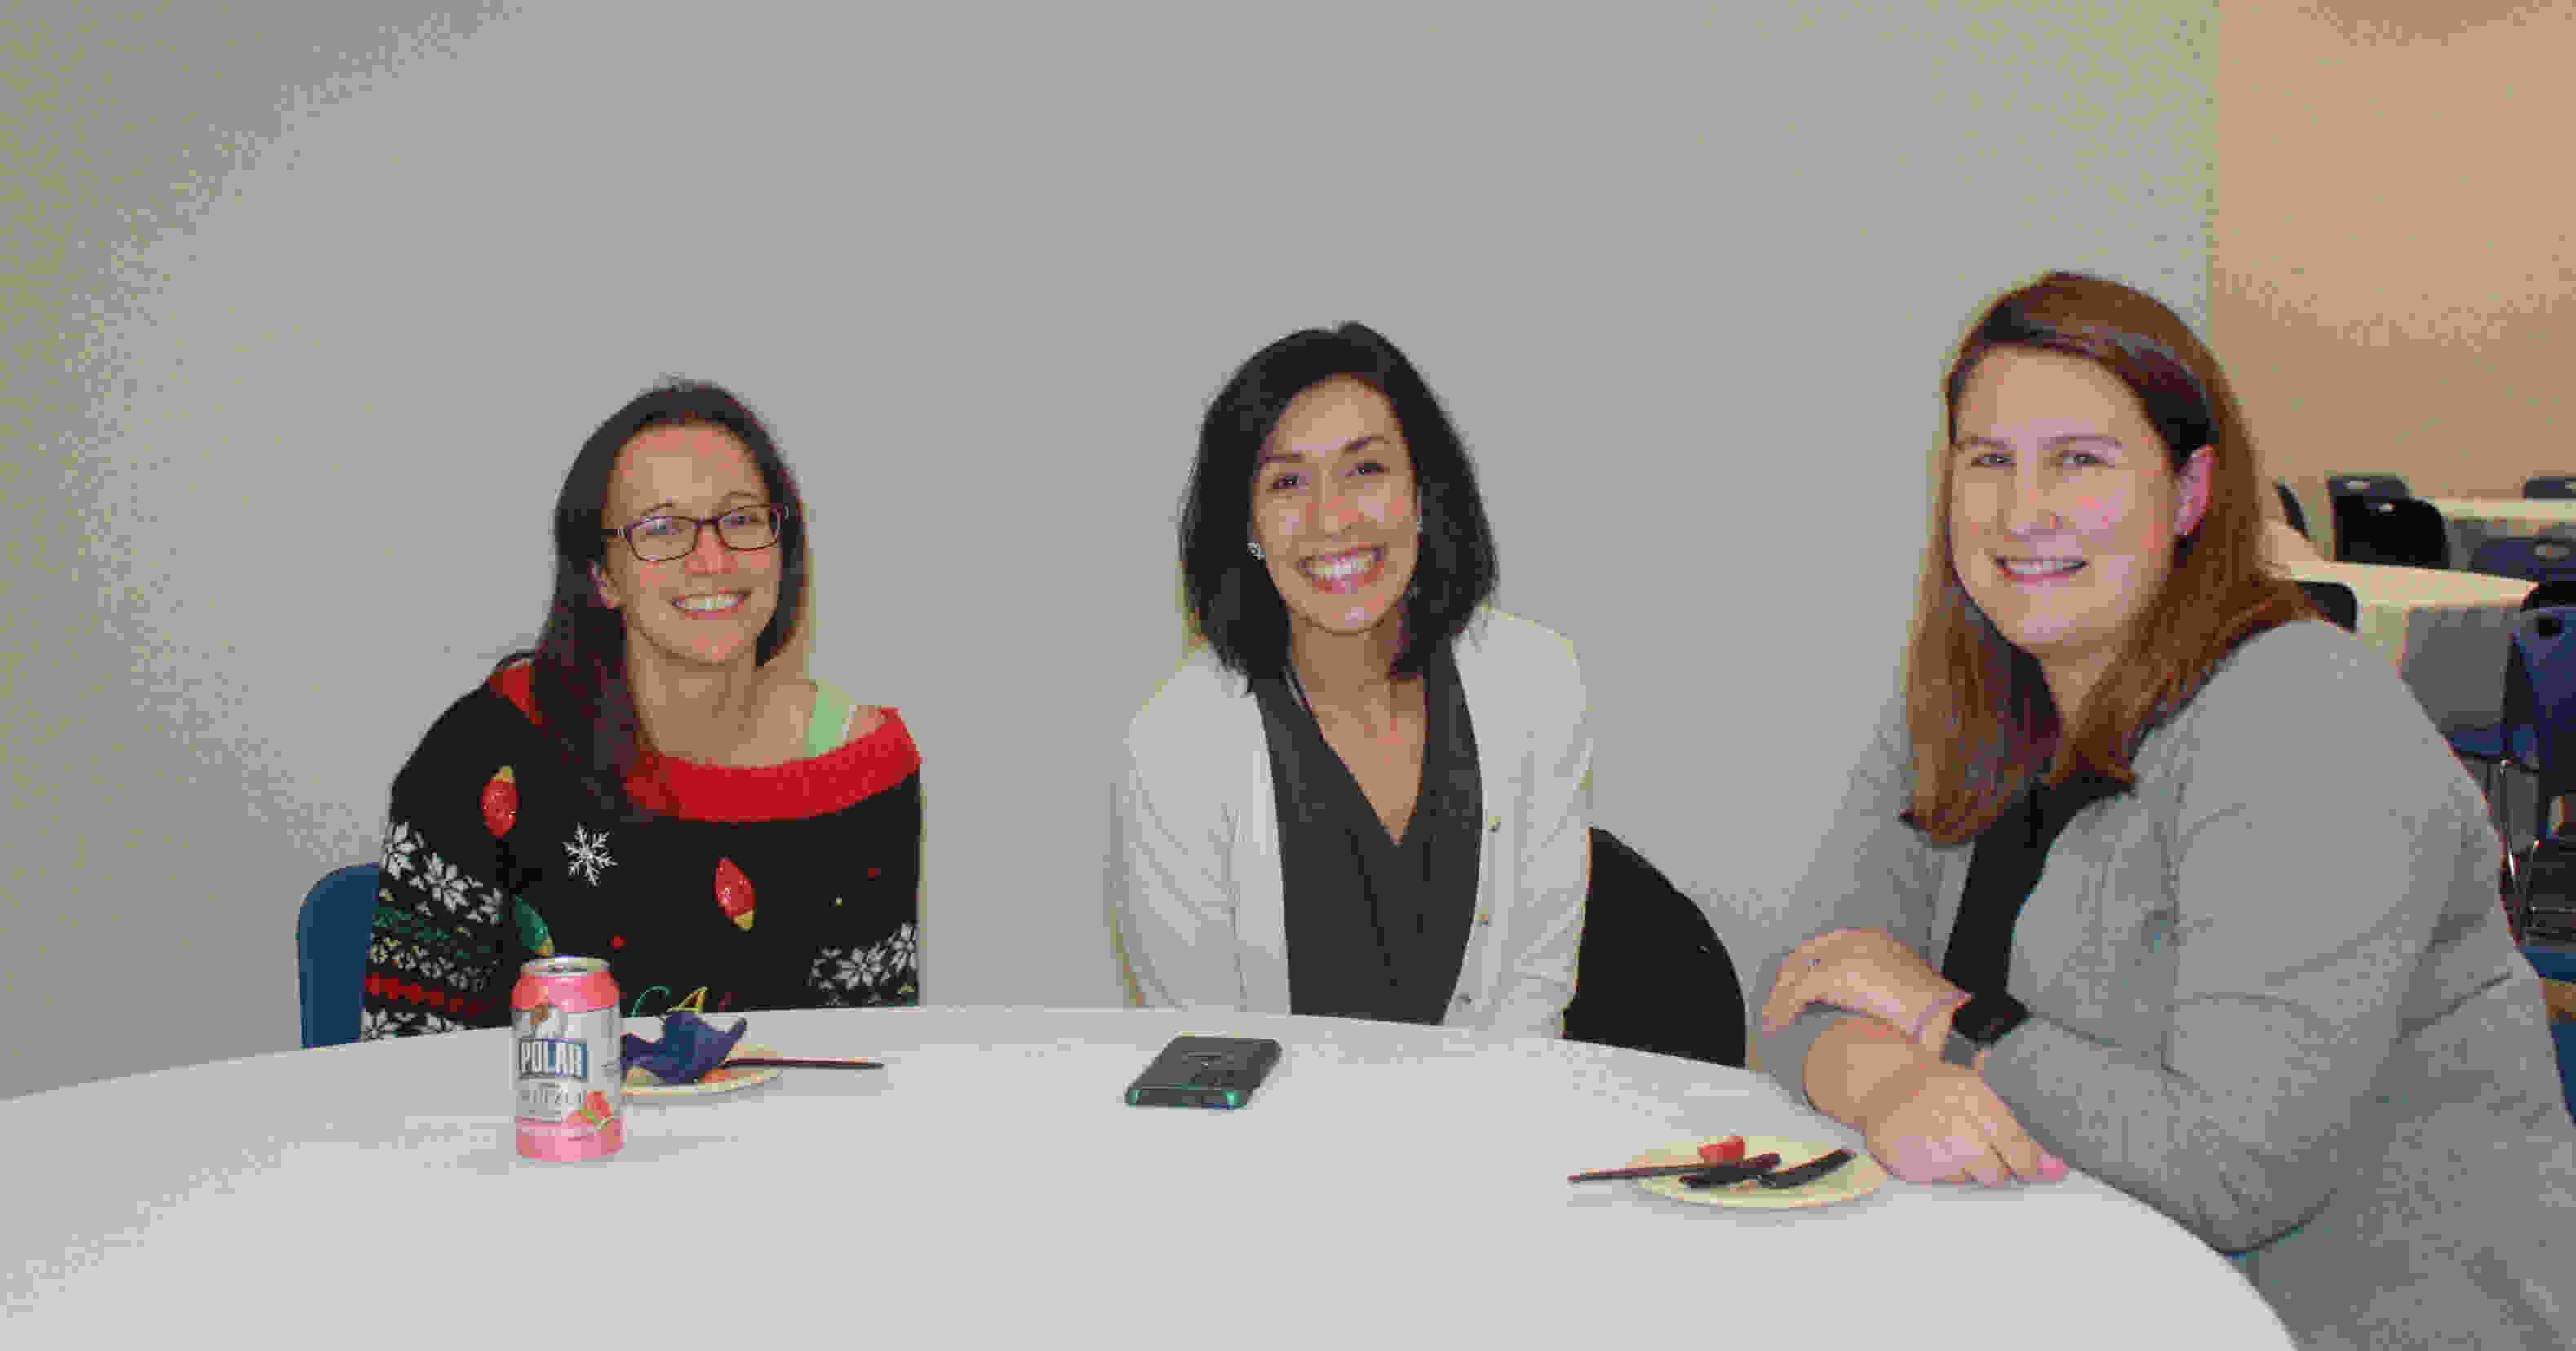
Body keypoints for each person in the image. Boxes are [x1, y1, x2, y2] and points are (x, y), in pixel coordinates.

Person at [1752, 271, 2574, 1349]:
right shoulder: (1960, 698)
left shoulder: (2304, 719)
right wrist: (1891, 1092)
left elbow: (2233, 1170)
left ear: (2188, 494)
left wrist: (1939, 1018)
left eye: (2079, 463)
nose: (2022, 510)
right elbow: (1796, 988)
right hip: (2084, 1294)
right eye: (1986, 460)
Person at [362, 379, 922, 1035]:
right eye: (661, 529)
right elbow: (398, 1051)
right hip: (532, 1135)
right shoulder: (485, 752)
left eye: (741, 519)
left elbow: (871, 1050)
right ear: (603, 577)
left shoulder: (861, 771)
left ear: (781, 549)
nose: (711, 560)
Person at [1108, 323, 1589, 1034]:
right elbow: (1202, 1050)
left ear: (1422, 493)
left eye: (1366, 470)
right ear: (1248, 527)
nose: (1331, 519)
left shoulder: (1538, 683)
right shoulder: (1173, 747)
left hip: (1492, 1123)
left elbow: (1533, 997)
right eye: (1287, 483)